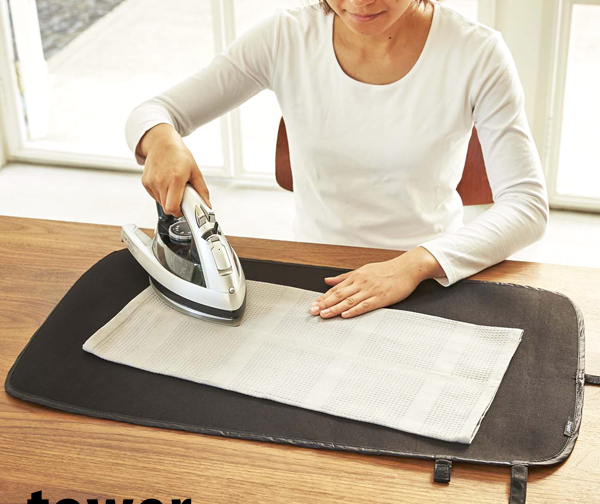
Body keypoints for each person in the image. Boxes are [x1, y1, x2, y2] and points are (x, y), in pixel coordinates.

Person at [125, 0, 549, 320]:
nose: (360, 2)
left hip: (431, 274)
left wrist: (413, 265)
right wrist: (161, 139)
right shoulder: (286, 37)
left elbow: (526, 206)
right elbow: (154, 111)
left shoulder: (477, 52)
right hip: (316, 271)